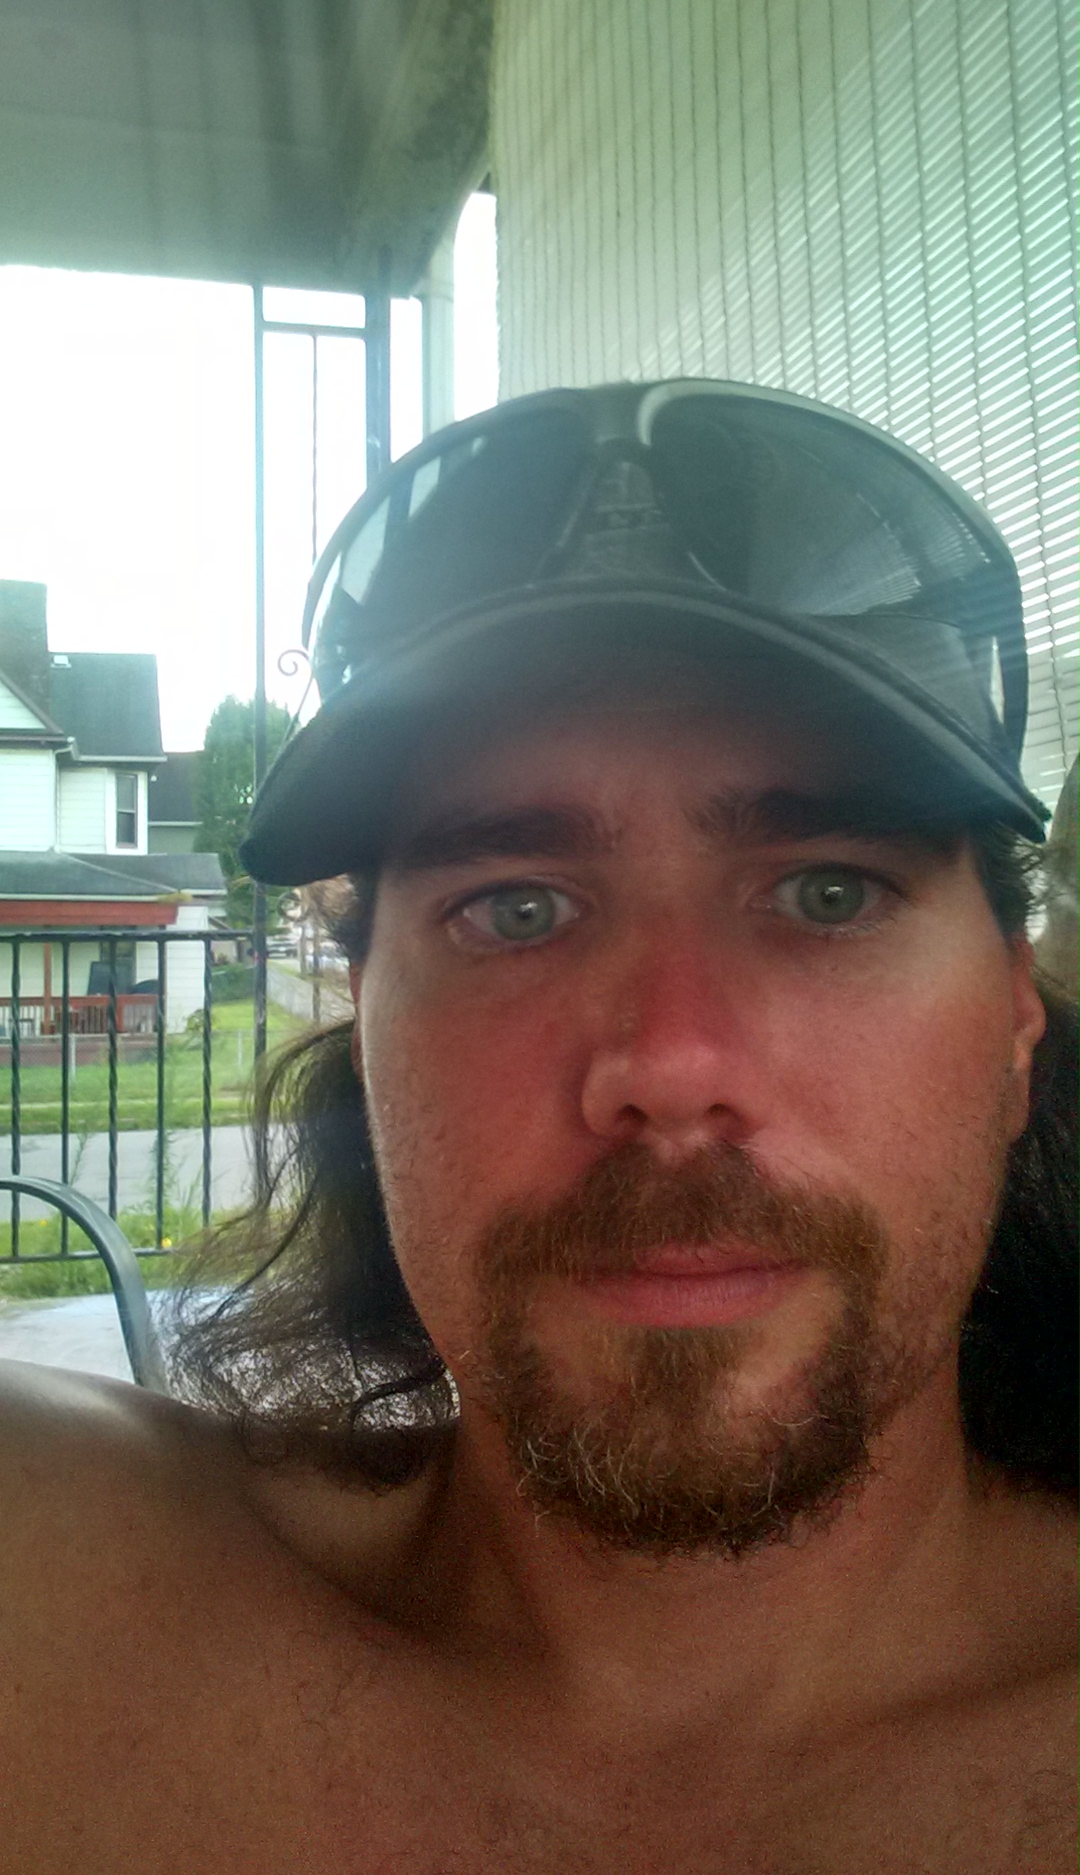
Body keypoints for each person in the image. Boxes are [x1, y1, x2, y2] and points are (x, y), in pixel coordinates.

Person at [3, 380, 1080, 1873]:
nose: (672, 1065)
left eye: (829, 892)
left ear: (1017, 1021)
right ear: (367, 1027)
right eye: (514, 909)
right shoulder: (49, 1593)